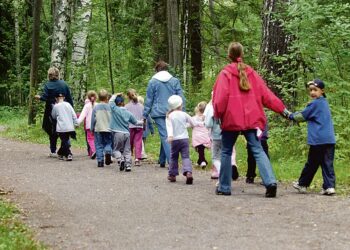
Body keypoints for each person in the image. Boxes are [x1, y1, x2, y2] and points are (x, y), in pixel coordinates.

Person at [212, 42, 290, 198]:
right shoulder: (252, 73)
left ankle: (225, 187)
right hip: (252, 118)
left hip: (231, 118)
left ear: (229, 56)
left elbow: (219, 99)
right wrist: (283, 110)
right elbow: (267, 95)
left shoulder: (225, 74)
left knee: (226, 151)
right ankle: (270, 182)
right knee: (257, 149)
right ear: (242, 54)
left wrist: (218, 115)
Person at [289, 79, 336, 195]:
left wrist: (289, 115)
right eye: (310, 90)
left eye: (315, 90)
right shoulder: (324, 102)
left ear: (322, 91)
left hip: (318, 140)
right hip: (329, 139)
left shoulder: (315, 104)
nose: (312, 92)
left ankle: (302, 184)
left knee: (312, 163)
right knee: (327, 163)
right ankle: (329, 187)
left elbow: (301, 116)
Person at [143, 60, 186, 168]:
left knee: (165, 135)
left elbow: (149, 100)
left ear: (157, 70)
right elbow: (181, 97)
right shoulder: (174, 80)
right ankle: (162, 160)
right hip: (172, 111)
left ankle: (171, 162)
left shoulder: (152, 82)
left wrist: (144, 114)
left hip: (158, 112)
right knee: (166, 135)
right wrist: (182, 111)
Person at [35, 67, 73, 157]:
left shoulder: (48, 85)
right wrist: (71, 111)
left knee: (51, 131)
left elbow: (44, 97)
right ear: (58, 74)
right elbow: (70, 99)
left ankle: (53, 151)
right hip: (64, 111)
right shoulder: (64, 84)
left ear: (49, 75)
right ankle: (66, 146)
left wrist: (38, 97)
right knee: (64, 130)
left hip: (51, 111)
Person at [166, 95, 202, 185]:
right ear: (180, 105)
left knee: (173, 157)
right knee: (185, 156)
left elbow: (169, 127)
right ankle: (188, 172)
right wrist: (201, 123)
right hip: (184, 139)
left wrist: (170, 136)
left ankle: (172, 175)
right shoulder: (184, 114)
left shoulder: (169, 116)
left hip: (174, 140)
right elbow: (193, 123)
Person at [204, 96, 239, 180]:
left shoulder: (211, 107)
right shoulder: (228, 105)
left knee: (215, 157)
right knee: (229, 152)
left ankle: (221, 172)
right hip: (228, 133)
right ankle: (232, 164)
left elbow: (208, 124)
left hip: (216, 136)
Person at [109, 94, 144, 172]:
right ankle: (128, 165)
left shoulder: (114, 109)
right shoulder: (128, 113)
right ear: (123, 102)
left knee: (116, 150)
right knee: (127, 150)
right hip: (127, 133)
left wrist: (115, 95)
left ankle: (120, 159)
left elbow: (110, 101)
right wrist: (142, 122)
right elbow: (136, 122)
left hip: (117, 133)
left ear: (116, 103)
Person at [51, 93, 78, 161]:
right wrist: (76, 123)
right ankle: (60, 153)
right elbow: (74, 115)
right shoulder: (68, 104)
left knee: (65, 141)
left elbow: (53, 116)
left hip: (61, 127)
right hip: (70, 127)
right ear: (64, 98)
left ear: (56, 98)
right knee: (65, 141)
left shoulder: (56, 106)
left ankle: (68, 154)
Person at [91, 89, 112, 168]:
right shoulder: (110, 107)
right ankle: (108, 152)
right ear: (107, 97)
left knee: (99, 145)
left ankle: (100, 161)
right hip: (109, 128)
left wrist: (91, 128)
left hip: (98, 129)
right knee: (109, 142)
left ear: (98, 98)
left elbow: (93, 119)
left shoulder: (96, 108)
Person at [125, 89, 144, 166]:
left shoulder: (126, 106)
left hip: (130, 126)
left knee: (129, 143)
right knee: (138, 142)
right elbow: (144, 117)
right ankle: (137, 158)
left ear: (127, 97)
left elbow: (125, 117)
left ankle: (128, 157)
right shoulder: (142, 106)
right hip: (139, 126)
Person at [77, 90, 97, 159]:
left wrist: (77, 123)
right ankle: (97, 152)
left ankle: (94, 151)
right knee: (96, 139)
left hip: (89, 126)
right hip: (97, 125)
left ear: (88, 97)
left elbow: (82, 115)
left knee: (90, 139)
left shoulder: (87, 106)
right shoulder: (97, 105)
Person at [192, 101, 211, 168]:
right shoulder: (207, 118)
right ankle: (200, 160)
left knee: (200, 149)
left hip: (197, 137)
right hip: (205, 136)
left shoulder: (194, 118)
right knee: (201, 149)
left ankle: (202, 161)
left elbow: (189, 124)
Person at [137, 95, 154, 159]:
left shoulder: (136, 111)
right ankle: (142, 153)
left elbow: (150, 121)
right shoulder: (146, 111)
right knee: (143, 142)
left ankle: (140, 153)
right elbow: (150, 122)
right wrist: (152, 131)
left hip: (138, 130)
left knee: (138, 142)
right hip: (144, 131)